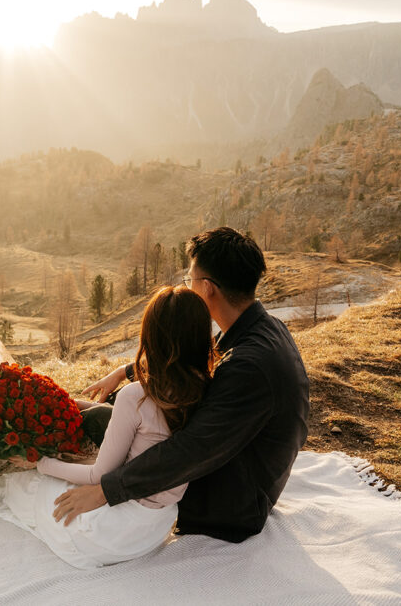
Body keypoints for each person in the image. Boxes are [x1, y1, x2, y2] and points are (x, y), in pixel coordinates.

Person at [53, 227, 310, 543]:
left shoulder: (249, 366)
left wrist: (106, 490)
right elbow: (191, 358)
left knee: (105, 417)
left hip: (231, 503)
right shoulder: (263, 329)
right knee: (123, 405)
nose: (188, 286)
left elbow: (191, 450)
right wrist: (125, 371)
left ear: (207, 288)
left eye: (190, 279)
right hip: (249, 474)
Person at [0, 286, 216, 568]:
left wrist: (40, 464)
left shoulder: (136, 395)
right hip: (155, 528)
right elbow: (146, 429)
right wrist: (74, 405)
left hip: (108, 533)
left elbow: (98, 476)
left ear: (151, 338)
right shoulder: (209, 392)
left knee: (22, 485)